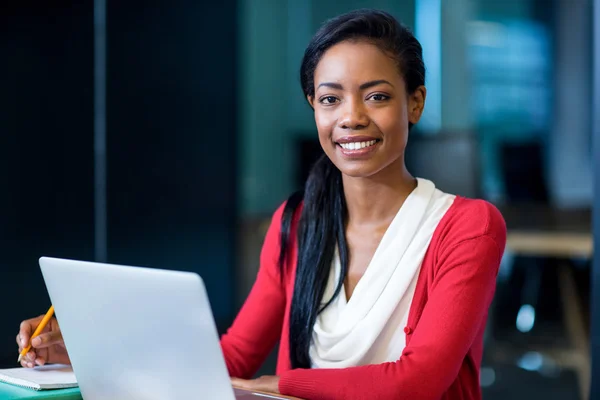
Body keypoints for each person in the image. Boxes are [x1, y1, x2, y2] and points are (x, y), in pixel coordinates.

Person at [17, 9, 506, 400]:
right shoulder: (297, 222)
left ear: (414, 103)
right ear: (313, 107)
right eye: (330, 99)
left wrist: (280, 384)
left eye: (376, 96)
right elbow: (231, 360)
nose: (351, 118)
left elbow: (416, 383)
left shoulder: (467, 227)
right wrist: (87, 350)